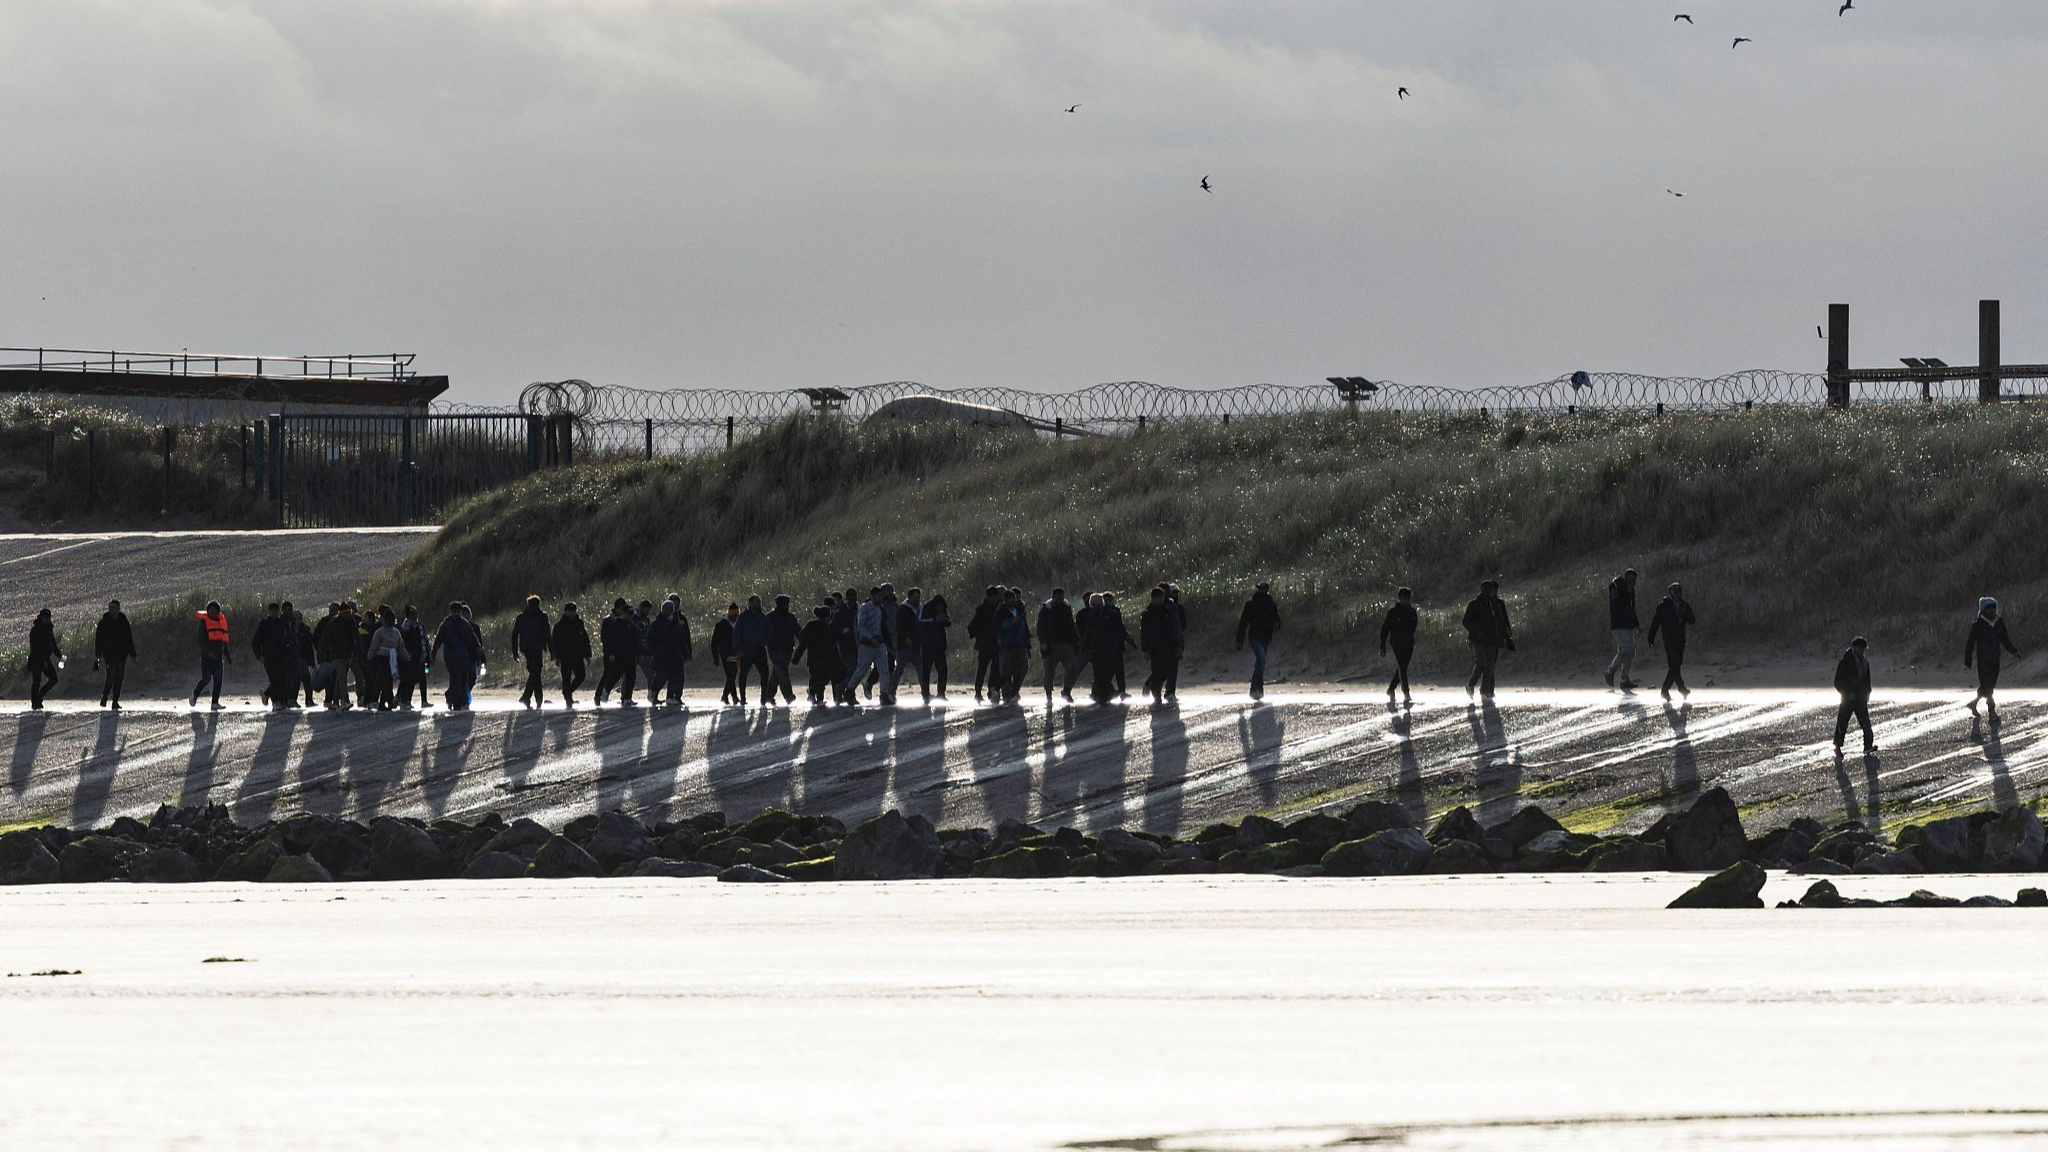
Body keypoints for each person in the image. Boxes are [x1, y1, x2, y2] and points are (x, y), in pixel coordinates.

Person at [1964, 597, 2020, 721]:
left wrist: (2014, 651)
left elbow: (2005, 640)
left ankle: (1974, 703)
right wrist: (1968, 660)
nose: (1991, 610)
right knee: (1987, 685)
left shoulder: (1999, 624)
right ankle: (1991, 710)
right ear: (1983, 610)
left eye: (1993, 608)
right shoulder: (1977, 625)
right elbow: (1970, 643)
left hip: (1995, 658)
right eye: (1989, 608)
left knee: (1990, 685)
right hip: (1983, 660)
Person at [1461, 580, 1512, 701]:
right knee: (1481, 663)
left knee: (1490, 666)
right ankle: (1470, 685)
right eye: (1486, 588)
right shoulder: (1474, 604)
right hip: (1477, 640)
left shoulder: (1495, 605)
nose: (1489, 591)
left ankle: (1484, 691)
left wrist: (1507, 638)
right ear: (1481, 590)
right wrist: (1476, 632)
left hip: (1492, 640)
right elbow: (1466, 621)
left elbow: (1501, 622)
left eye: (1491, 589)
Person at [1645, 583, 1697, 701]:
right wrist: (1650, 638)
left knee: (1676, 665)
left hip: (1680, 639)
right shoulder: (1664, 606)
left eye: (1679, 591)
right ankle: (1679, 689)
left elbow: (1692, 620)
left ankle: (1670, 690)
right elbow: (1655, 622)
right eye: (1676, 591)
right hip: (1669, 639)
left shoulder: (1683, 604)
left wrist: (1685, 613)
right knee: (1674, 664)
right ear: (1671, 592)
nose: (1678, 594)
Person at [846, 587, 895, 706]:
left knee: (885, 671)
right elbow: (861, 626)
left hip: (880, 644)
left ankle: (884, 695)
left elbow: (884, 627)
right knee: (861, 670)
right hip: (867, 645)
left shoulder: (881, 609)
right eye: (878, 596)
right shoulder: (864, 608)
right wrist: (871, 638)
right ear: (872, 596)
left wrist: (889, 644)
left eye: (881, 596)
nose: (880, 599)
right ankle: (849, 691)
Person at [1085, 591, 1135, 705]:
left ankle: (1110, 693)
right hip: (1100, 650)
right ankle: (1101, 694)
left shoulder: (1112, 613)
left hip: (1113, 647)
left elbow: (1120, 628)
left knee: (1115, 671)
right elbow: (1089, 632)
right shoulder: (1092, 615)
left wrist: (1128, 639)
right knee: (1101, 674)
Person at [1236, 580, 1282, 700]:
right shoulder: (1250, 604)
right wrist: (1239, 640)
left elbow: (1277, 619)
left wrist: (1277, 625)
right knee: (1261, 659)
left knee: (1260, 663)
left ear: (1267, 590)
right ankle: (1255, 688)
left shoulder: (1271, 604)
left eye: (1263, 589)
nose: (1261, 591)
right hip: (1254, 637)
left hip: (1266, 637)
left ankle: (1257, 689)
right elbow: (1243, 623)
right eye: (1259, 589)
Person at [430, 600, 479, 711]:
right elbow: (438, 640)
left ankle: (456, 698)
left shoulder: (464, 624)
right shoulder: (445, 625)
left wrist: (478, 647)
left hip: (463, 656)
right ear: (450, 612)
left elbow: (472, 637)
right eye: (454, 611)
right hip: (450, 657)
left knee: (463, 678)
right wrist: (433, 654)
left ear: (461, 612)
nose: (456, 614)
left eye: (458, 611)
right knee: (455, 677)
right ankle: (455, 700)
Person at [1037, 588, 1082, 703]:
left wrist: (1076, 641)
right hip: (1050, 645)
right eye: (1057, 598)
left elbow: (1071, 625)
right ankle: (1048, 696)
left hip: (1066, 644)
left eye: (1061, 598)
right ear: (1052, 597)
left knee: (1073, 667)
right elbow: (1040, 628)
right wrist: (1043, 643)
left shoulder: (1066, 608)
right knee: (1049, 672)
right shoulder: (1045, 610)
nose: (1060, 600)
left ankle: (1066, 691)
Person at [1139, 585, 1183, 704]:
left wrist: (1178, 643)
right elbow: (1144, 633)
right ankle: (1156, 695)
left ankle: (1161, 692)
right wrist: (1145, 650)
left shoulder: (1168, 610)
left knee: (1168, 670)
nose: (1161, 600)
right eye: (1159, 598)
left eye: (1162, 597)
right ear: (1153, 598)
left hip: (1169, 646)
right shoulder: (1148, 613)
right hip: (1155, 648)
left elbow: (1175, 627)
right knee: (1158, 672)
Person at [644, 600, 693, 707]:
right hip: (661, 656)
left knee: (674, 677)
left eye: (670, 609)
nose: (667, 611)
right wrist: (654, 650)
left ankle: (670, 697)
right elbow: (649, 639)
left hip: (676, 655)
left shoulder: (677, 624)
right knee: (661, 677)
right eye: (665, 608)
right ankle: (653, 693)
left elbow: (682, 640)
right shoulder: (656, 624)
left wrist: (686, 653)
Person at [1833, 636, 1875, 754]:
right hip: (1847, 698)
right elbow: (1837, 682)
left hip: (1860, 698)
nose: (1862, 650)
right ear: (1854, 647)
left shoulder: (1865, 662)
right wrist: (1846, 694)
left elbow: (1867, 680)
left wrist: (1867, 692)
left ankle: (1868, 746)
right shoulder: (1845, 661)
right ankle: (1837, 747)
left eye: (1863, 648)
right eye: (1860, 648)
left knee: (1866, 723)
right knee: (1842, 723)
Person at [793, 605, 841, 706]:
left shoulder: (811, 625)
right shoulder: (828, 627)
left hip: (813, 657)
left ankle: (814, 696)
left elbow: (803, 642)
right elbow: (833, 645)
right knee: (822, 679)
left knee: (816, 678)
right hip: (824, 658)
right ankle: (816, 697)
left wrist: (796, 658)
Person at [511, 595, 554, 710]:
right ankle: (529, 697)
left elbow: (514, 635)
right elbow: (547, 635)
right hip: (536, 648)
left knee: (535, 672)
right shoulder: (542, 616)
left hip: (526, 648)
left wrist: (515, 651)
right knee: (536, 671)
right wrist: (552, 651)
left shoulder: (521, 617)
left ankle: (535, 699)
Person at [95, 599, 137, 710]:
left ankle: (115, 701)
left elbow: (129, 638)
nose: (111, 610)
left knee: (119, 677)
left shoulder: (123, 621)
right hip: (109, 655)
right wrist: (98, 656)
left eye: (114, 607)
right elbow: (98, 640)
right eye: (110, 607)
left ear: (118, 608)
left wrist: (133, 654)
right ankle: (104, 697)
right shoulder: (103, 623)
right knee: (111, 675)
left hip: (121, 654)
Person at [597, 599, 640, 706]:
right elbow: (610, 641)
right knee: (615, 675)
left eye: (631, 614)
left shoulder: (632, 625)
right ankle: (605, 691)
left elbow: (636, 640)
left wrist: (638, 652)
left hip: (630, 655)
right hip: (619, 655)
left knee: (631, 677)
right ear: (623, 614)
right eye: (628, 614)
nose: (630, 616)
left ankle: (627, 698)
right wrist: (611, 653)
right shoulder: (616, 624)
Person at [1379, 587, 1418, 705]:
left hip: (1409, 643)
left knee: (1403, 668)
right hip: (1397, 644)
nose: (1406, 600)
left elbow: (1413, 629)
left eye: (1408, 598)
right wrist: (1382, 646)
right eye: (1404, 598)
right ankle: (1406, 693)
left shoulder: (1412, 612)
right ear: (1400, 599)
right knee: (1401, 666)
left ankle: (1391, 689)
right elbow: (1384, 630)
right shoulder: (1393, 613)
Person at [993, 588, 1032, 703]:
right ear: (1005, 600)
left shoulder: (1020, 611)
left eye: (1013, 598)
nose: (1011, 601)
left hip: (1020, 645)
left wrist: (1028, 646)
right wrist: (1011, 623)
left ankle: (1014, 692)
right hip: (1006, 646)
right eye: (1009, 599)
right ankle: (996, 689)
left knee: (1022, 668)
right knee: (1006, 672)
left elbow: (1025, 629)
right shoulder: (1001, 612)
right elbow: (997, 629)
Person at [190, 600, 231, 711]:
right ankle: (195, 694)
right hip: (207, 657)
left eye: (215, 609)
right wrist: (208, 652)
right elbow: (200, 640)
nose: (213, 611)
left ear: (218, 611)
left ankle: (215, 702)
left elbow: (224, 640)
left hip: (218, 657)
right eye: (211, 609)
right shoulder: (204, 622)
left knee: (218, 680)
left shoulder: (221, 622)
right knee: (206, 678)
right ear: (208, 611)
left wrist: (227, 655)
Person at [1604, 569, 1641, 690]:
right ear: (1626, 579)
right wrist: (1625, 592)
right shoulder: (1616, 587)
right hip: (1618, 625)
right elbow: (1618, 605)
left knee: (1631, 651)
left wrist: (1636, 625)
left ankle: (1624, 679)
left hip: (1628, 625)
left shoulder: (1631, 591)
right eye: (1631, 580)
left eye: (1634, 581)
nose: (1633, 583)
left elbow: (1631, 609)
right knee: (1624, 651)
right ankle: (1610, 671)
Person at [552, 602, 592, 707]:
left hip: (578, 655)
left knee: (581, 676)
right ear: (565, 612)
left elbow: (585, 639)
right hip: (565, 656)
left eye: (573, 611)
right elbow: (555, 642)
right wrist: (556, 656)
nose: (571, 613)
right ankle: (568, 699)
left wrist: (587, 655)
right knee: (566, 678)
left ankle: (567, 692)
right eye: (569, 611)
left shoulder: (579, 623)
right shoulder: (559, 625)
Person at [735, 595, 773, 704]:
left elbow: (769, 631)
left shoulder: (763, 617)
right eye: (756, 602)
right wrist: (738, 648)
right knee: (743, 674)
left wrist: (764, 641)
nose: (759, 604)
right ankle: (743, 698)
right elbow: (736, 633)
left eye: (759, 602)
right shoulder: (743, 617)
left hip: (759, 649)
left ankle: (763, 697)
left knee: (765, 673)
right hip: (746, 650)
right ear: (750, 603)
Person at [967, 585, 1002, 702]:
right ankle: (978, 692)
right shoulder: (983, 609)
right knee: (983, 668)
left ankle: (990, 691)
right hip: (986, 643)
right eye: (996, 596)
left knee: (994, 668)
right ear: (992, 596)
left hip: (993, 643)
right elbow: (974, 625)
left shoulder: (994, 608)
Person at [366, 607, 404, 710]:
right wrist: (369, 658)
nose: (391, 622)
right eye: (389, 620)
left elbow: (401, 647)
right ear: (385, 620)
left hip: (392, 658)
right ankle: (386, 700)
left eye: (392, 620)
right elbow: (374, 646)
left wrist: (406, 658)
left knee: (384, 679)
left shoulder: (396, 632)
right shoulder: (379, 632)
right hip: (381, 658)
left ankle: (381, 702)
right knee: (385, 678)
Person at [766, 594, 801, 706]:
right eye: (784, 605)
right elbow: (764, 633)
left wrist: (805, 641)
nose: (786, 607)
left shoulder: (790, 617)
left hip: (787, 650)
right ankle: (788, 696)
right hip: (774, 649)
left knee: (777, 674)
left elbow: (798, 631)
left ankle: (767, 696)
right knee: (782, 671)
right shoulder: (770, 617)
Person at [918, 592, 952, 701]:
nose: (940, 609)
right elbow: (920, 622)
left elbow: (948, 622)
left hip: (940, 646)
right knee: (926, 671)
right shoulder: (926, 608)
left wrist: (944, 620)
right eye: (939, 607)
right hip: (927, 645)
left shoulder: (943, 610)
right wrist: (935, 620)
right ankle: (925, 694)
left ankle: (941, 693)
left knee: (943, 670)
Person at [26, 608, 60, 710]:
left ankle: (39, 696)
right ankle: (34, 703)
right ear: (40, 617)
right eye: (45, 617)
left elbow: (53, 645)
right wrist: (43, 661)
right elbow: (35, 648)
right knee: (36, 682)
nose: (47, 619)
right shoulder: (35, 630)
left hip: (45, 658)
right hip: (36, 659)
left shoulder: (49, 629)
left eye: (48, 618)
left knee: (54, 679)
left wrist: (60, 656)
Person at [895, 588, 926, 702]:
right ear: (909, 598)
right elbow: (899, 627)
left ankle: (925, 693)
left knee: (921, 670)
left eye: (918, 597)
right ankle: (891, 693)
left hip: (916, 646)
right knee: (899, 670)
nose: (917, 599)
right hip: (903, 646)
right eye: (915, 597)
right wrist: (906, 638)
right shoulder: (902, 610)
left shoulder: (920, 609)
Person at [397, 605, 430, 709]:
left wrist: (429, 654)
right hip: (411, 657)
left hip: (421, 655)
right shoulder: (406, 626)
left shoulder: (420, 625)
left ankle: (424, 701)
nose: (415, 615)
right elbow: (404, 641)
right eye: (412, 613)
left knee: (422, 678)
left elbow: (425, 640)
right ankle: (405, 700)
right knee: (410, 680)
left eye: (415, 612)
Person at [830, 591, 859, 705]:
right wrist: (843, 632)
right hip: (846, 646)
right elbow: (833, 630)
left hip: (857, 645)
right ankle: (843, 690)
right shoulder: (841, 612)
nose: (853, 599)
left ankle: (847, 693)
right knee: (853, 671)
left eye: (854, 597)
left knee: (855, 671)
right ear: (846, 598)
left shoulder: (858, 609)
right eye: (851, 597)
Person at [711, 602, 741, 705]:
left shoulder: (740, 623)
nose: (735, 617)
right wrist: (716, 657)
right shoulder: (720, 625)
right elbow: (714, 642)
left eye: (736, 615)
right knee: (731, 674)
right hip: (726, 654)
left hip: (737, 654)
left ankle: (724, 696)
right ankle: (734, 697)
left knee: (732, 675)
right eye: (733, 615)